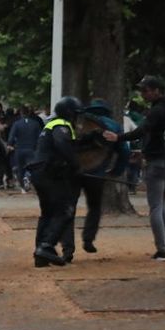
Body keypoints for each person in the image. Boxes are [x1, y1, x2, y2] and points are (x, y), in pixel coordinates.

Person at [106, 76, 165, 260]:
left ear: (157, 91)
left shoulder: (156, 111)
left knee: (155, 206)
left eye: (146, 90)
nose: (143, 94)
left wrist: (118, 138)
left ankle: (162, 248)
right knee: (161, 204)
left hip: (157, 163)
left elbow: (142, 130)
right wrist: (143, 152)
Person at [63, 99, 129, 259]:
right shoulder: (114, 126)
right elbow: (124, 151)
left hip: (74, 172)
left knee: (68, 208)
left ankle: (67, 248)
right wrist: (115, 171)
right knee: (94, 206)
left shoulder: (77, 123)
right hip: (97, 173)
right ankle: (88, 238)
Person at [28, 97, 83, 267]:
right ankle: (46, 246)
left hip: (40, 173)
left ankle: (40, 255)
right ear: (69, 113)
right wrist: (75, 165)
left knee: (48, 213)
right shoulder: (61, 125)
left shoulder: (50, 124)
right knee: (65, 210)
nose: (76, 118)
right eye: (75, 114)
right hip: (49, 174)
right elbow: (62, 144)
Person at [7, 105, 42, 192]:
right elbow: (40, 137)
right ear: (29, 113)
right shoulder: (35, 124)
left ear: (21, 113)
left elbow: (11, 137)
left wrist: (10, 145)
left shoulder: (16, 124)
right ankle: (28, 177)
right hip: (32, 149)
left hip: (19, 149)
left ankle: (23, 187)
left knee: (20, 168)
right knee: (32, 167)